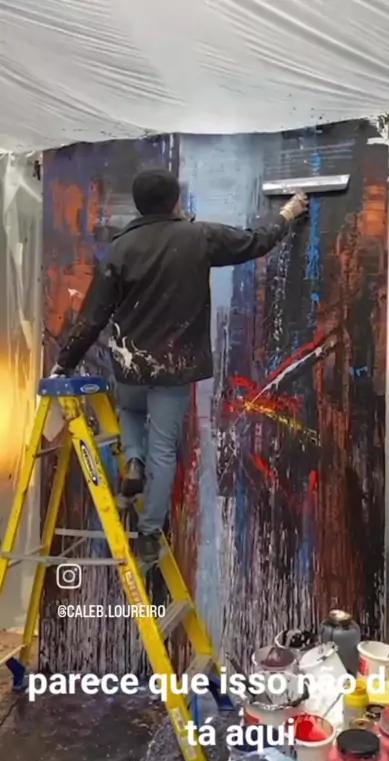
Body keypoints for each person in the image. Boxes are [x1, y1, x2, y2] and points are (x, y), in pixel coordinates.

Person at [50, 168, 309, 565]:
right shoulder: (198, 237)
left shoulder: (119, 249)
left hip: (130, 363)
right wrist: (289, 212)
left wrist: (63, 364)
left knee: (130, 411)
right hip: (174, 367)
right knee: (163, 450)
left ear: (138, 203)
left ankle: (132, 461)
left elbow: (91, 318)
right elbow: (256, 241)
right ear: (174, 201)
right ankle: (149, 533)